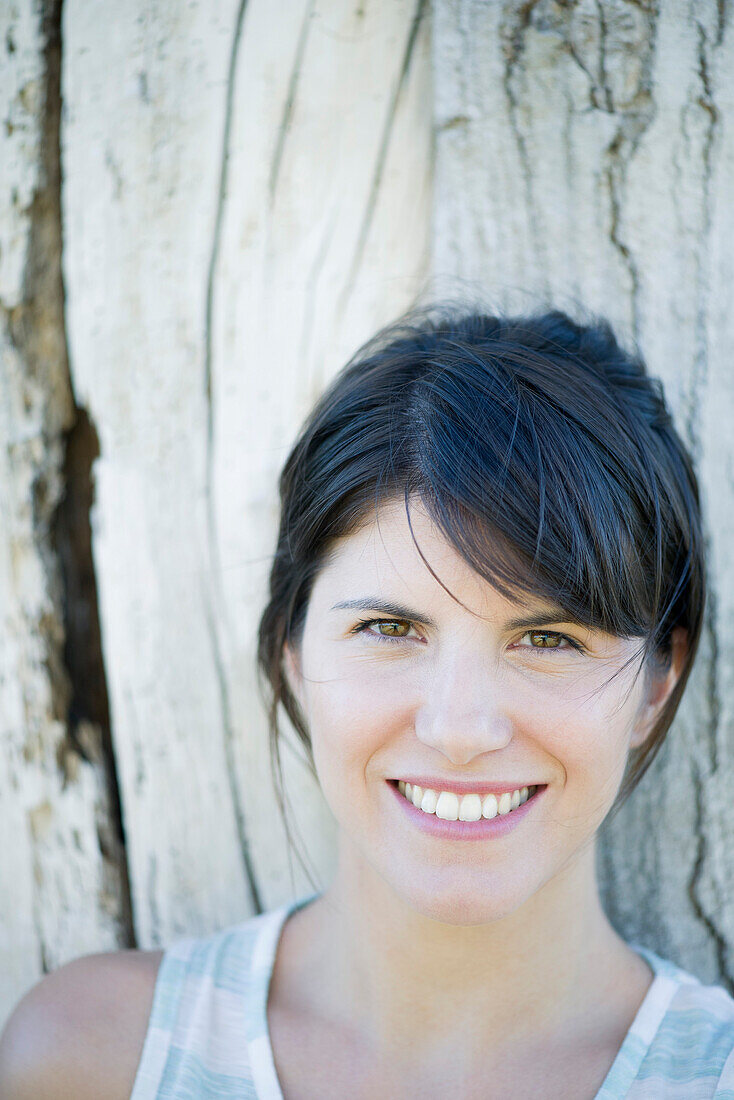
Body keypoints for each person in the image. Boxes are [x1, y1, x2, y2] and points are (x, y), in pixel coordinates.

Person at [1, 304, 733, 1099]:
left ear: (657, 683)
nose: (459, 729)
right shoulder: (95, 1061)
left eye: (550, 639)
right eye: (390, 628)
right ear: (291, 649)